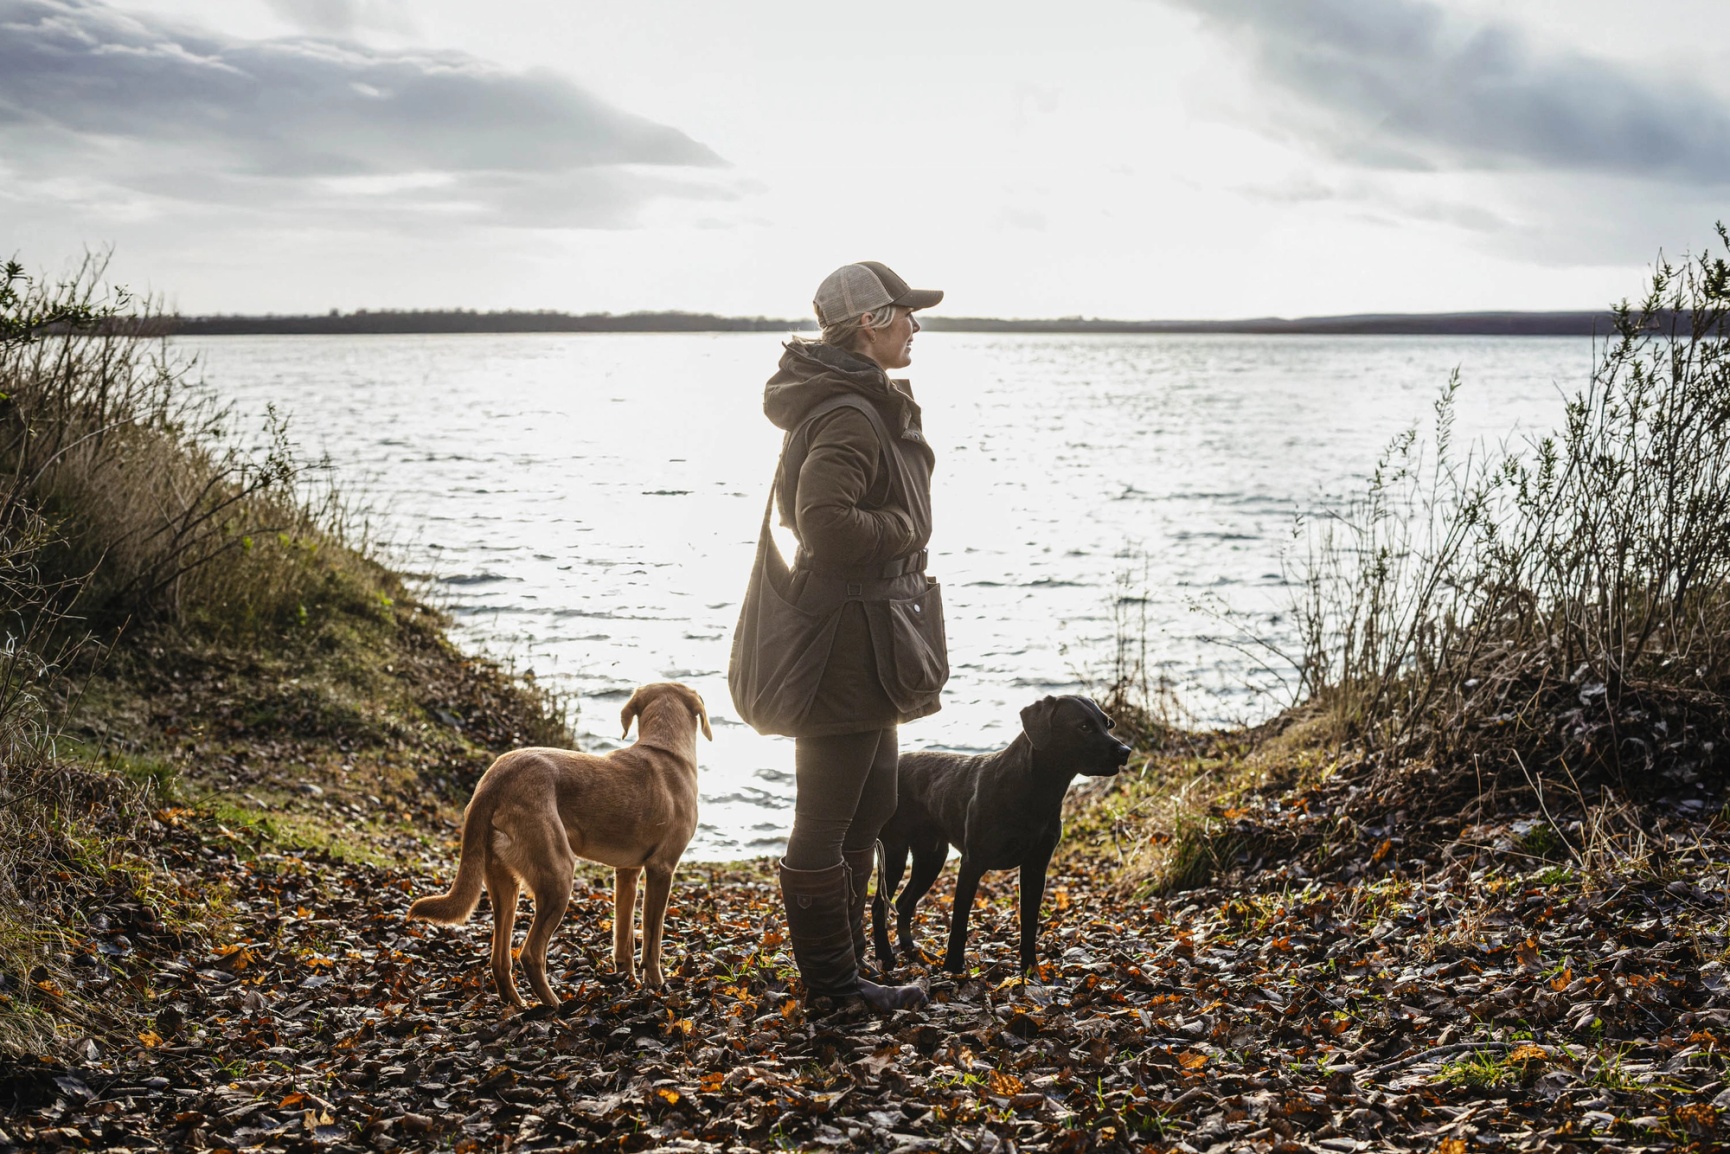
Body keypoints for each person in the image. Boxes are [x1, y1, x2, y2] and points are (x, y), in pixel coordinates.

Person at [759, 261, 948, 1012]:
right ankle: (833, 990)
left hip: (873, 637)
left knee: (870, 810)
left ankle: (848, 973)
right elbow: (822, 523)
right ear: (871, 321)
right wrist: (902, 529)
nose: (914, 325)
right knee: (827, 818)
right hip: (841, 640)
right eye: (904, 313)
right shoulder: (846, 410)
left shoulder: (865, 401)